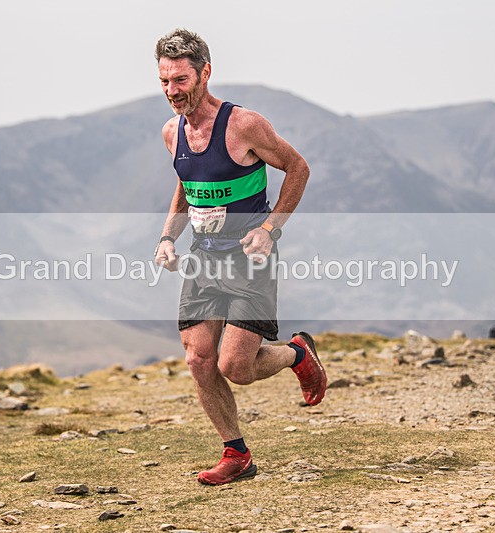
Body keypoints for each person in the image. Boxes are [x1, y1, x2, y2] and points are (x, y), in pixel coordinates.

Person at [152, 28, 327, 485]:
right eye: (165, 81)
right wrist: (168, 237)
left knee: (237, 367)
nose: (173, 91)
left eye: (181, 80)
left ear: (205, 73)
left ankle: (296, 354)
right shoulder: (172, 133)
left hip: (251, 259)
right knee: (198, 358)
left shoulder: (243, 125)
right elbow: (187, 188)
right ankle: (237, 454)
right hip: (203, 258)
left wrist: (270, 230)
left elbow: (298, 167)